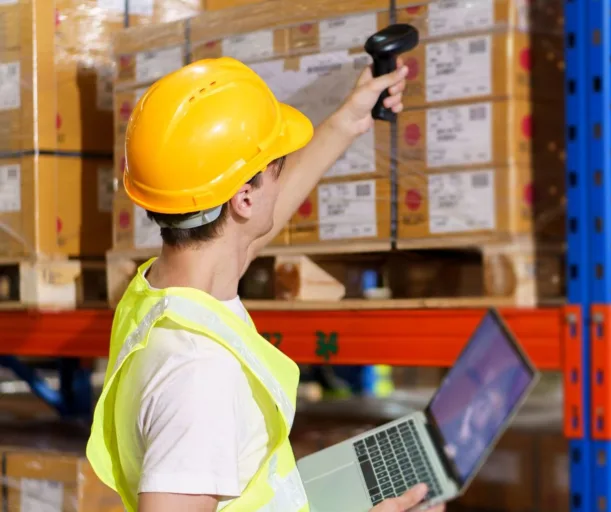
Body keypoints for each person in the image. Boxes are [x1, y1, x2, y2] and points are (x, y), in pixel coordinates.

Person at [85, 57, 443, 512]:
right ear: (244, 198)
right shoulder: (199, 375)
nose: (281, 174)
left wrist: (348, 121)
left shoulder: (164, 291)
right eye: (277, 165)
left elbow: (245, 234)